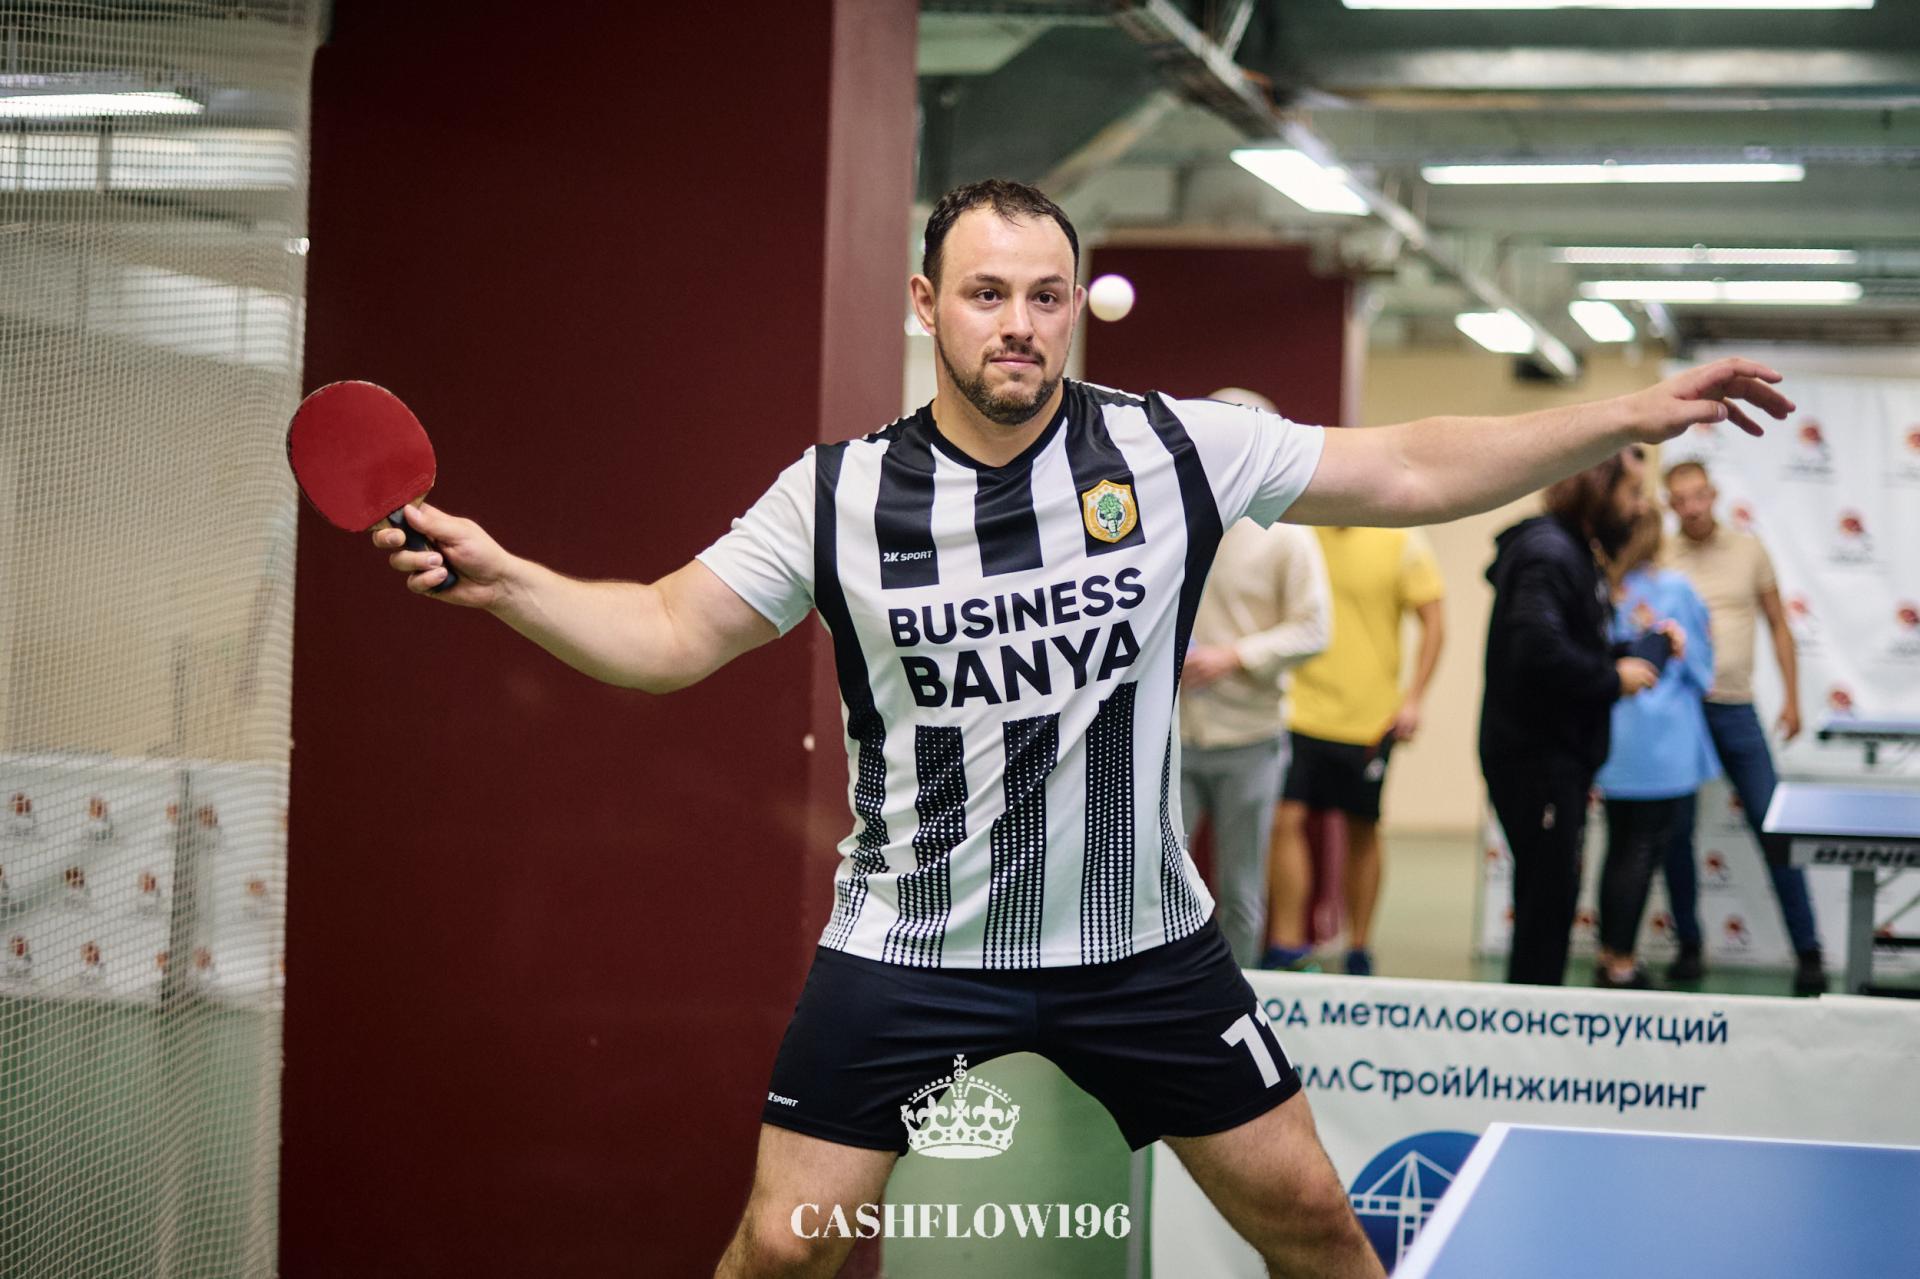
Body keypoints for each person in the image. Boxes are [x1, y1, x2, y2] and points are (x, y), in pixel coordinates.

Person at [370, 178, 1791, 1277]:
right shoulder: (837, 495)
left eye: (1047, 296)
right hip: (913, 942)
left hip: (1140, 945)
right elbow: (669, 632)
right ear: (926, 304)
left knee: (1312, 1217)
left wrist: (1630, 413)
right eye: (987, 293)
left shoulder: (1171, 448)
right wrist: (511, 583)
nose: (1021, 323)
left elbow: (1410, 467)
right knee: (788, 1243)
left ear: (1075, 312)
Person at [1480, 448, 1678, 987]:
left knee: (1552, 898)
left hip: (1554, 758)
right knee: (1546, 904)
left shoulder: (1573, 552)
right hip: (1537, 760)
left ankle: (1534, 1013)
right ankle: (1530, 1022)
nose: (1641, 507)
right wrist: (1614, 679)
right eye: (1632, 493)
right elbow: (1538, 650)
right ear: (1598, 489)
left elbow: (1572, 643)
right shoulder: (1549, 554)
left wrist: (1642, 648)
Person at [1661, 461, 1825, 995]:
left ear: (1712, 494)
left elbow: (1779, 624)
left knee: (1775, 828)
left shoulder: (1749, 550)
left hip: (1736, 708)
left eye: (1699, 495)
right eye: (1680, 499)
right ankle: (1688, 947)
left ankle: (1808, 952)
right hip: (1681, 710)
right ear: (1670, 505)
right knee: (1674, 831)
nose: (1692, 507)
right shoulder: (1660, 555)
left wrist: (1793, 699)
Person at [1181, 388, 1332, 968]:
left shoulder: (1288, 537)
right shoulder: (1178, 525)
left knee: (1241, 890)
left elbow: (1314, 629)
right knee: (1158, 885)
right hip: (1173, 739)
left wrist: (1235, 657)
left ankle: (1239, 995)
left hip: (1251, 739)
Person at [1263, 525, 1444, 976]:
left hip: (1369, 721)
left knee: (1362, 828)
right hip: (1296, 711)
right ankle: (1287, 944)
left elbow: (1435, 623)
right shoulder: (1298, 534)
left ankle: (1359, 946)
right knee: (1285, 820)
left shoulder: (1402, 540)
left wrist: (1413, 700)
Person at [1592, 509, 1717, 990]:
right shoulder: (1676, 591)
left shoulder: (1602, 590)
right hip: (1664, 748)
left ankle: (1608, 953)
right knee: (1643, 853)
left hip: (1616, 743)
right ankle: (1623, 965)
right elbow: (1702, 673)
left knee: (1618, 849)